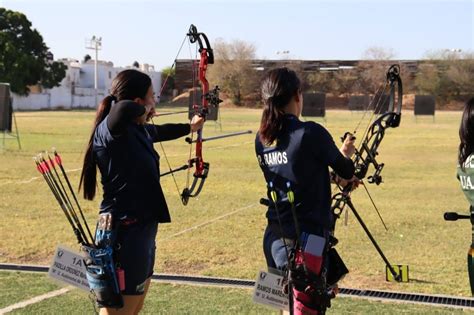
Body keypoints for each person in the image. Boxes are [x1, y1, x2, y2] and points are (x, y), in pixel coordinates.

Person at [79, 69, 204, 314]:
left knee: (133, 310)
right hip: (123, 233)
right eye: (151, 97)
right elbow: (122, 108)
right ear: (137, 102)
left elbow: (161, 131)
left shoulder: (137, 131)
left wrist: (191, 127)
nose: (155, 101)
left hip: (142, 232)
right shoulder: (111, 129)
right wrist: (143, 109)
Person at [255, 67, 357, 313]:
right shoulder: (310, 132)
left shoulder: (262, 139)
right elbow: (346, 169)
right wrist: (346, 157)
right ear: (297, 95)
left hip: (274, 237)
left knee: (286, 307)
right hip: (307, 241)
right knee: (306, 308)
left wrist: (331, 175)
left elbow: (297, 170)